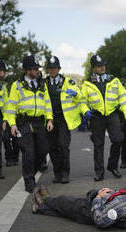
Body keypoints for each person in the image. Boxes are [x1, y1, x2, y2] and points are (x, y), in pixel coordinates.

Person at [32, 165, 126, 229]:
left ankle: (44, 202)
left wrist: (99, 198)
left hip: (92, 212)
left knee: (65, 201)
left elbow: (100, 220)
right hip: (109, 204)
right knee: (67, 209)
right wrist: (109, 193)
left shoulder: (121, 204)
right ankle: (43, 205)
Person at [80, 54, 126, 181]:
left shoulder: (114, 80)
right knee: (98, 144)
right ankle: (99, 172)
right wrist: (85, 111)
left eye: (103, 65)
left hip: (112, 114)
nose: (102, 67)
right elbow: (82, 101)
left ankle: (112, 166)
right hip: (96, 116)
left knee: (119, 139)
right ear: (93, 68)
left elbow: (124, 99)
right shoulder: (87, 83)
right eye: (99, 66)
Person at [5, 55, 53, 193]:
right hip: (23, 123)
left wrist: (49, 119)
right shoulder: (17, 85)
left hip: (39, 122)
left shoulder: (42, 84)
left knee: (43, 150)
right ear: (27, 70)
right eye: (34, 68)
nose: (37, 71)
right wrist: (12, 124)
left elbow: (47, 103)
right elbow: (11, 107)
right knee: (28, 153)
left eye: (37, 68)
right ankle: (29, 181)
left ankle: (33, 169)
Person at [45, 56, 83, 184]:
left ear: (59, 68)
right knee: (52, 147)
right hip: (49, 119)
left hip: (63, 118)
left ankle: (65, 173)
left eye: (54, 68)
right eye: (50, 68)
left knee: (63, 146)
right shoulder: (43, 83)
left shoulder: (68, 82)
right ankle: (57, 173)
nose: (52, 70)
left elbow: (79, 97)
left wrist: (76, 94)